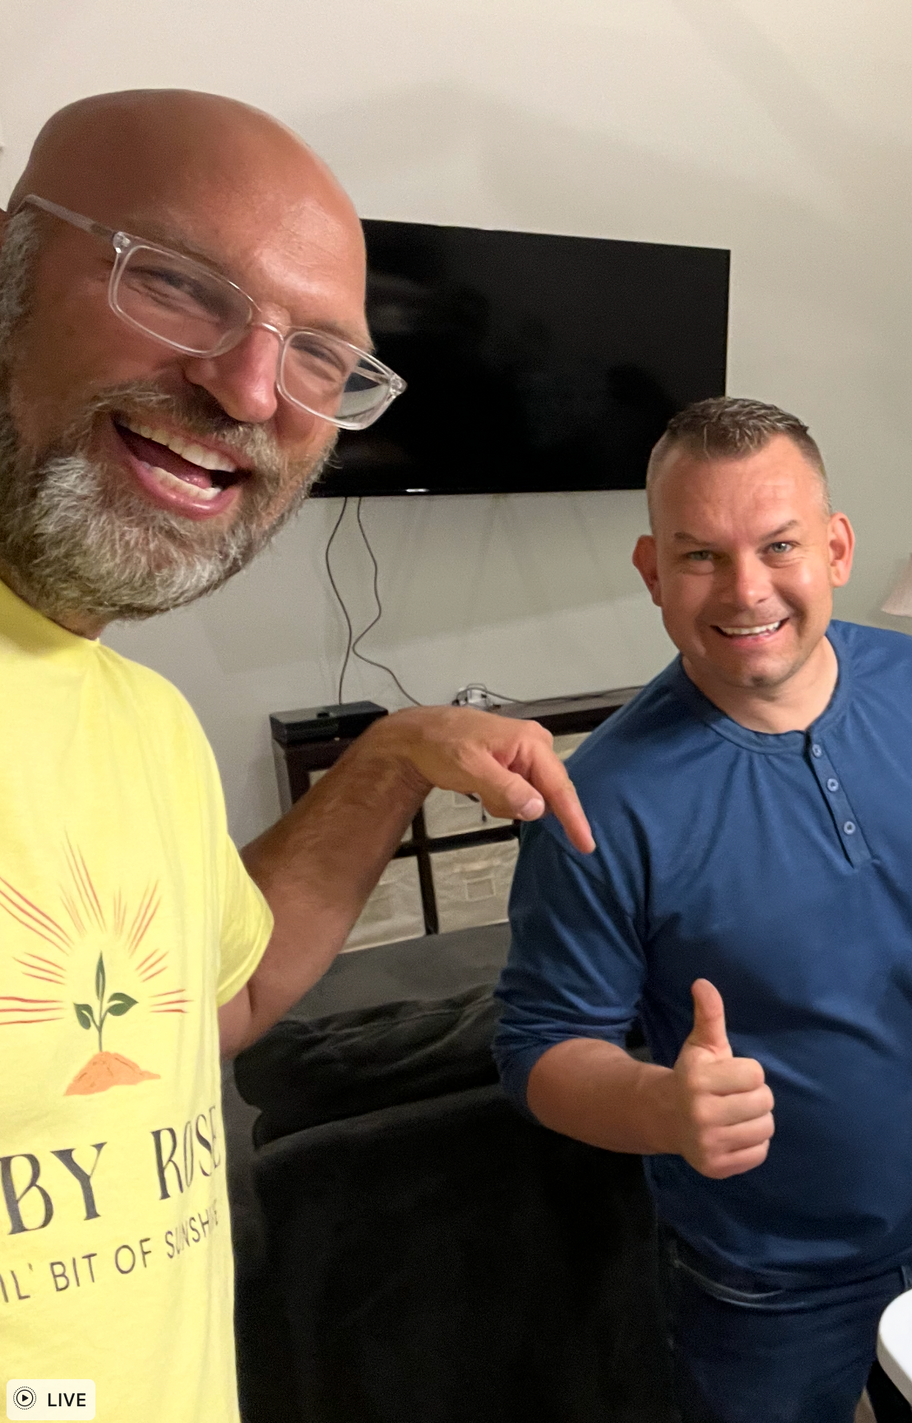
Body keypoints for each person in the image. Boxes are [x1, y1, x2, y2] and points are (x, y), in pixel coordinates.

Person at [0, 91, 592, 1422]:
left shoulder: (143, 722)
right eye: (180, 285)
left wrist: (386, 759)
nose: (252, 389)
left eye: (325, 355)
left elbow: (216, 995)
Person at [494, 396, 912, 1423]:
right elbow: (539, 1045)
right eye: (700, 556)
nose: (746, 590)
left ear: (837, 547)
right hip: (759, 1284)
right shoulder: (595, 802)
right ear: (651, 570)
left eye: (779, 546)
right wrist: (658, 1108)